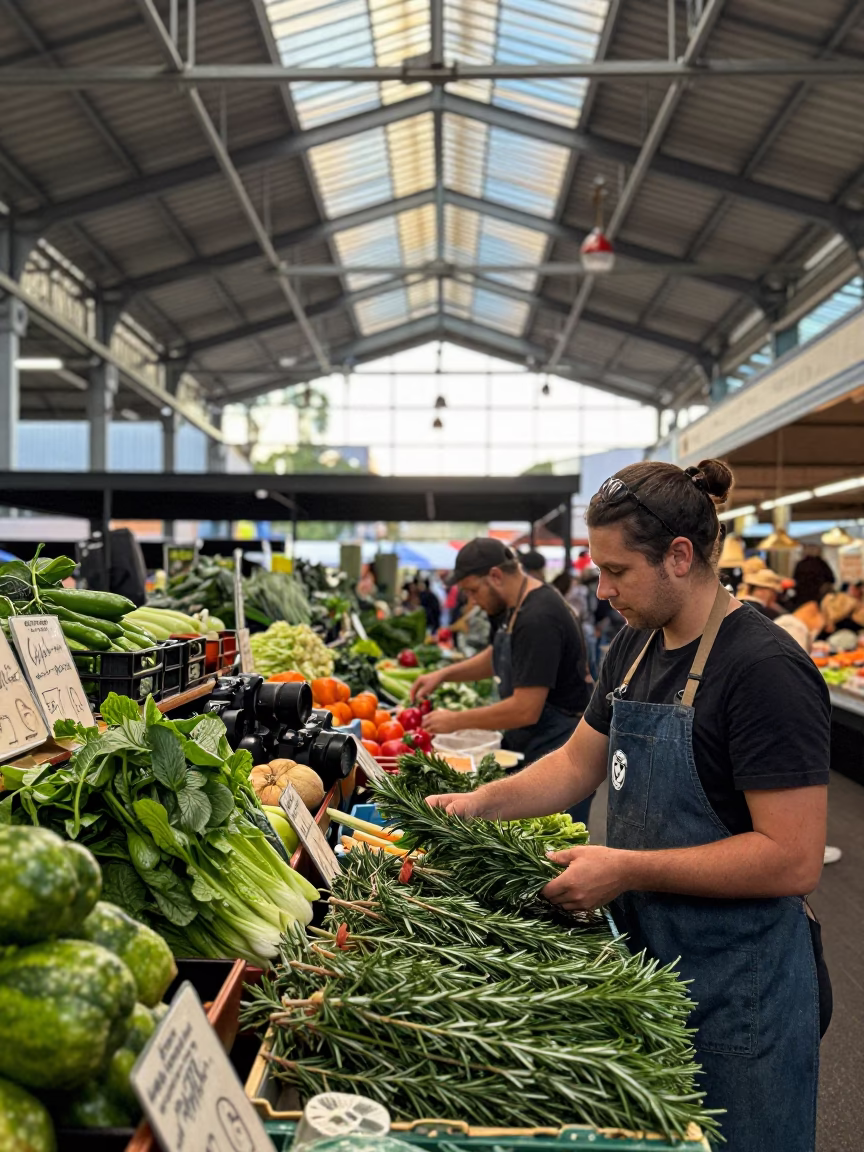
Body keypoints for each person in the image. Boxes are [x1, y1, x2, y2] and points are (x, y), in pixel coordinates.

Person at [427, 459, 830, 1152]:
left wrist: (627, 868)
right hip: (652, 967)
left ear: (679, 555)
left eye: (617, 572)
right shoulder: (633, 647)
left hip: (744, 988)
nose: (601, 589)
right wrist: (475, 805)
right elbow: (574, 765)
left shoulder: (763, 670)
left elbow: (792, 860)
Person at [412, 538, 592, 774]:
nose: (473, 601)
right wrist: (443, 675)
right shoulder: (515, 605)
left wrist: (455, 720)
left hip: (558, 746)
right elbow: (499, 654)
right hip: (534, 736)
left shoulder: (537, 618)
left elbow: (525, 709)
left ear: (496, 576)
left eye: (473, 591)